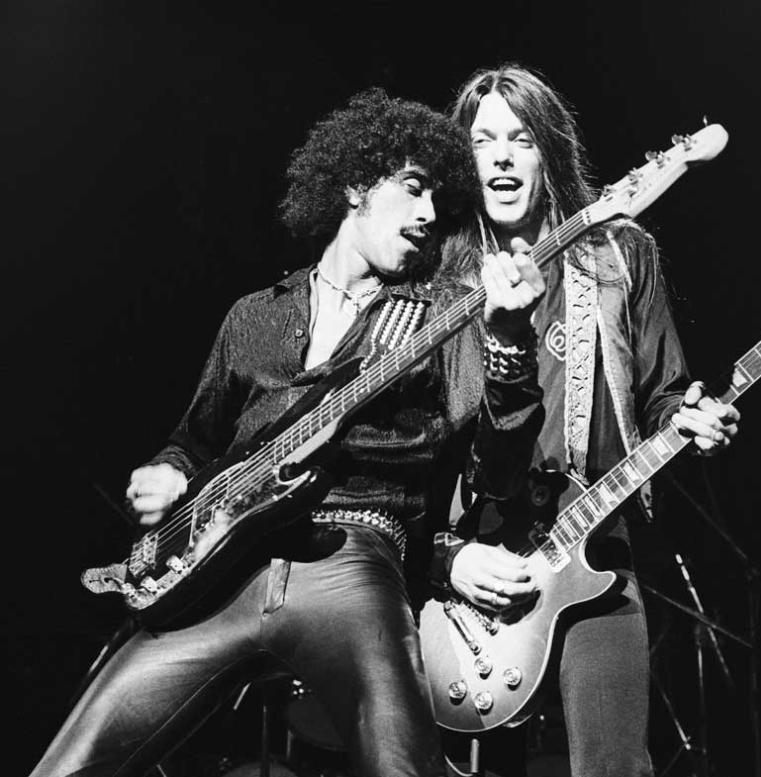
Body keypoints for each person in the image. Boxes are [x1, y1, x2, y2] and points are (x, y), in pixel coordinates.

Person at [30, 88, 547, 777]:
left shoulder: (439, 317)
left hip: (352, 559)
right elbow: (195, 439)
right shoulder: (253, 316)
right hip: (218, 574)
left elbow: (500, 468)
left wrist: (511, 346)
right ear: (358, 184)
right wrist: (168, 472)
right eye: (415, 189)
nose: (430, 216)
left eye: (439, 202)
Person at [434, 65, 741, 777]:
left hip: (597, 537)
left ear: (549, 152)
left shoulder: (620, 253)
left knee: (613, 764)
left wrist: (691, 416)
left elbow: (663, 392)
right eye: (484, 141)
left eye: (521, 139)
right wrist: (447, 557)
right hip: (477, 559)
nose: (503, 156)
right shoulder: (442, 281)